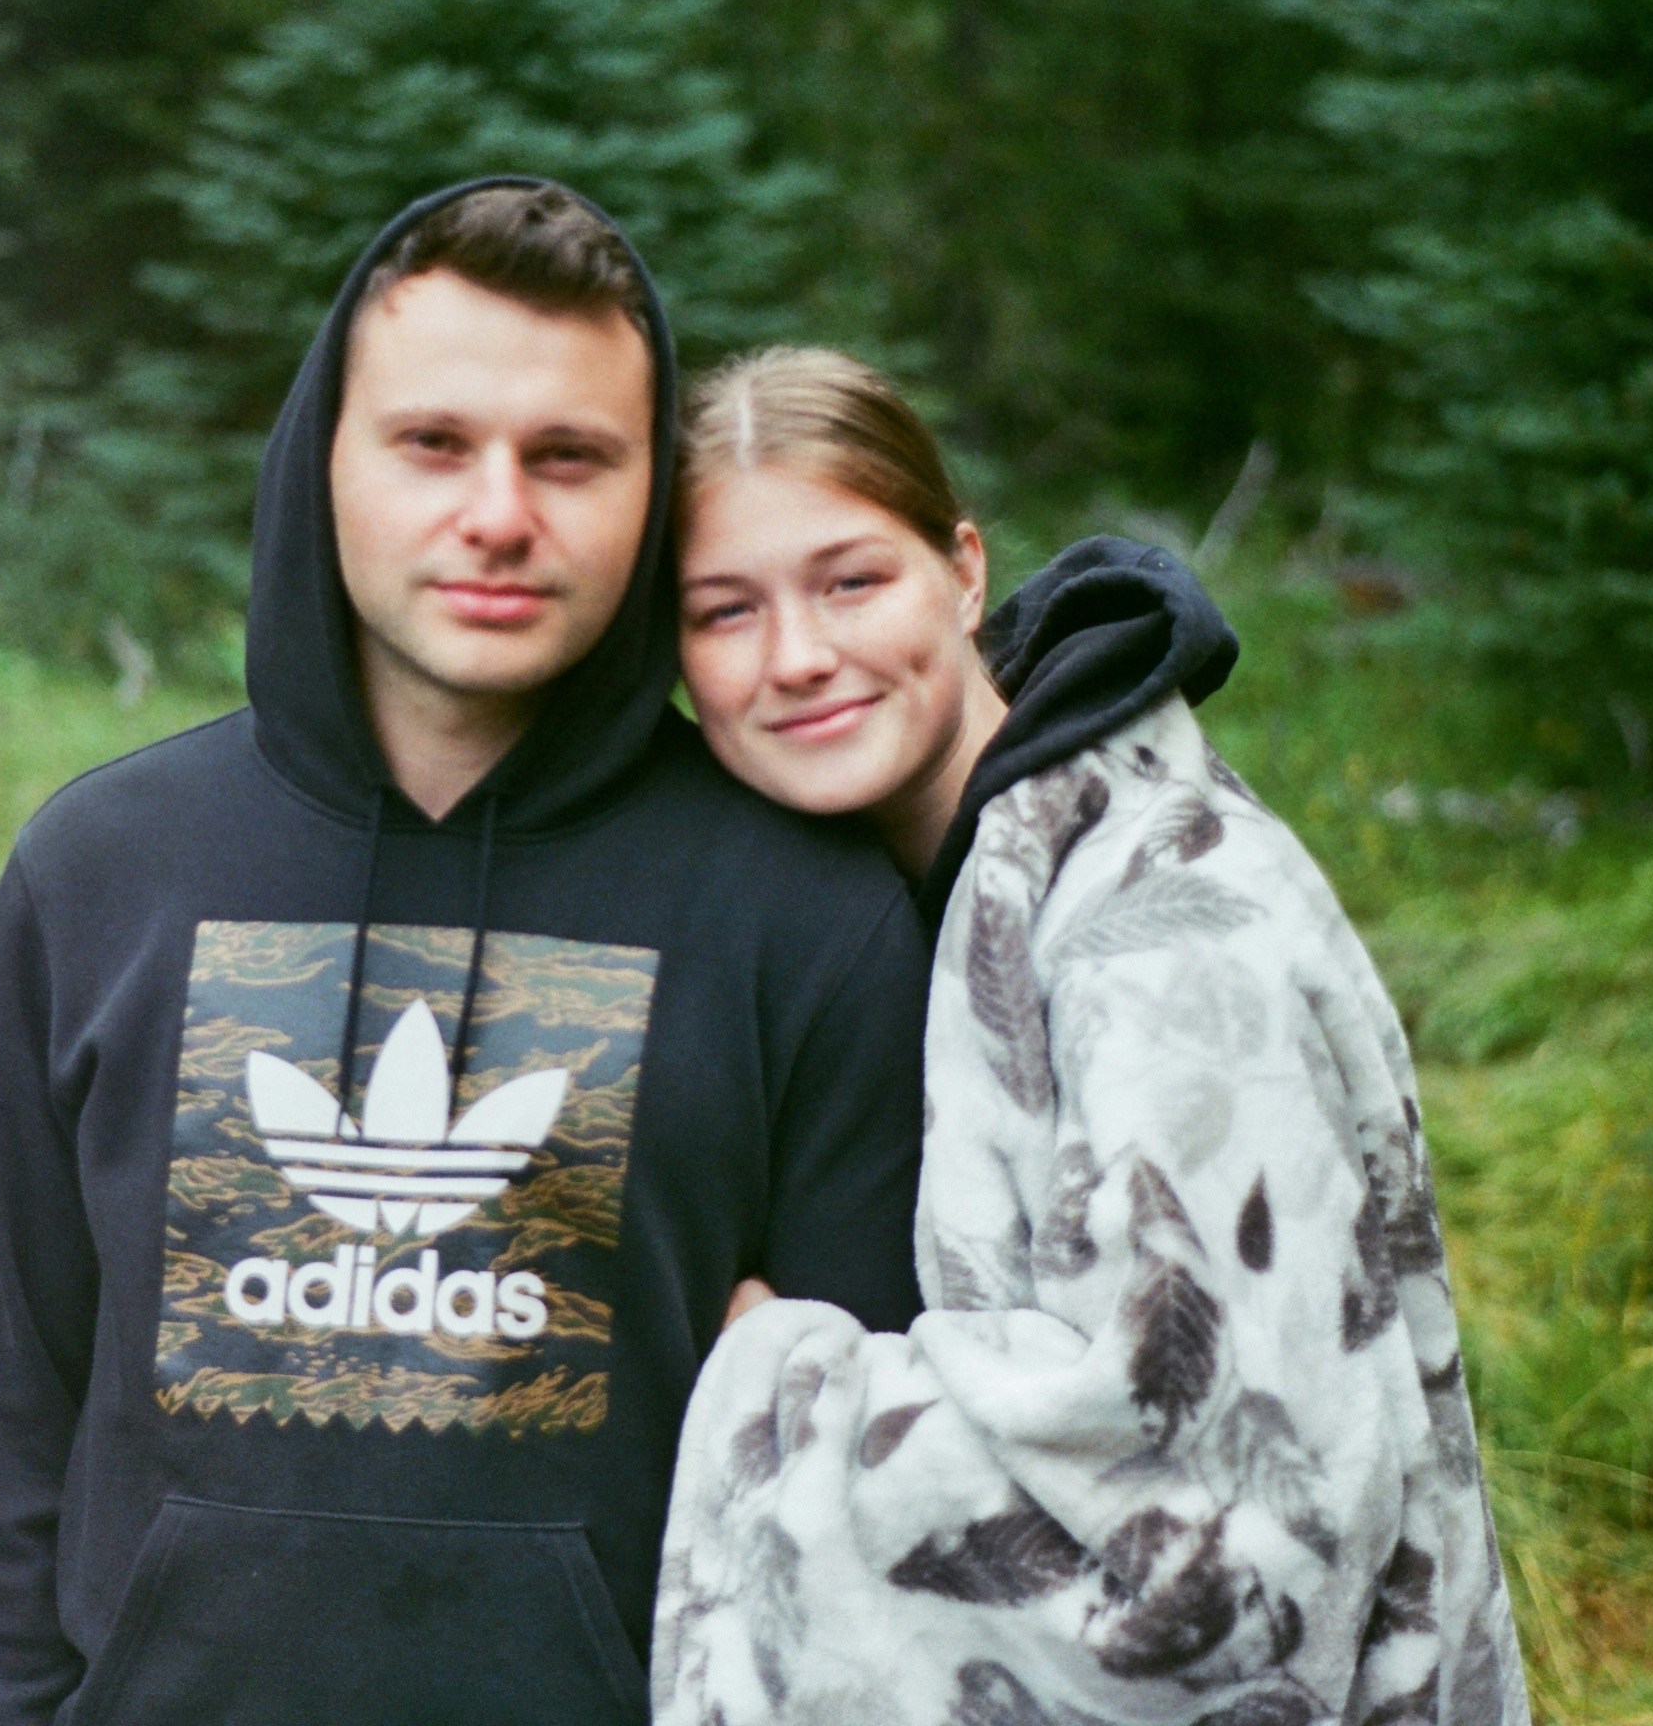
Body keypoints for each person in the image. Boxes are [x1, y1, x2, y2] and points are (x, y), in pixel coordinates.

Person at [0, 188, 933, 1726]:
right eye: (434, 444)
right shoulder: (103, 875)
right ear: (326, 466)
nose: (500, 512)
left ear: (647, 498)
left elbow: (868, 1507)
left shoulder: (801, 916)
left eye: (570, 457)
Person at [652, 348, 1529, 1726]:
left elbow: (1228, 1550)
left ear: (961, 570)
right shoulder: (923, 889)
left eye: (851, 581)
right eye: (724, 611)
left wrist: (773, 1379)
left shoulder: (1162, 927)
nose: (798, 657)